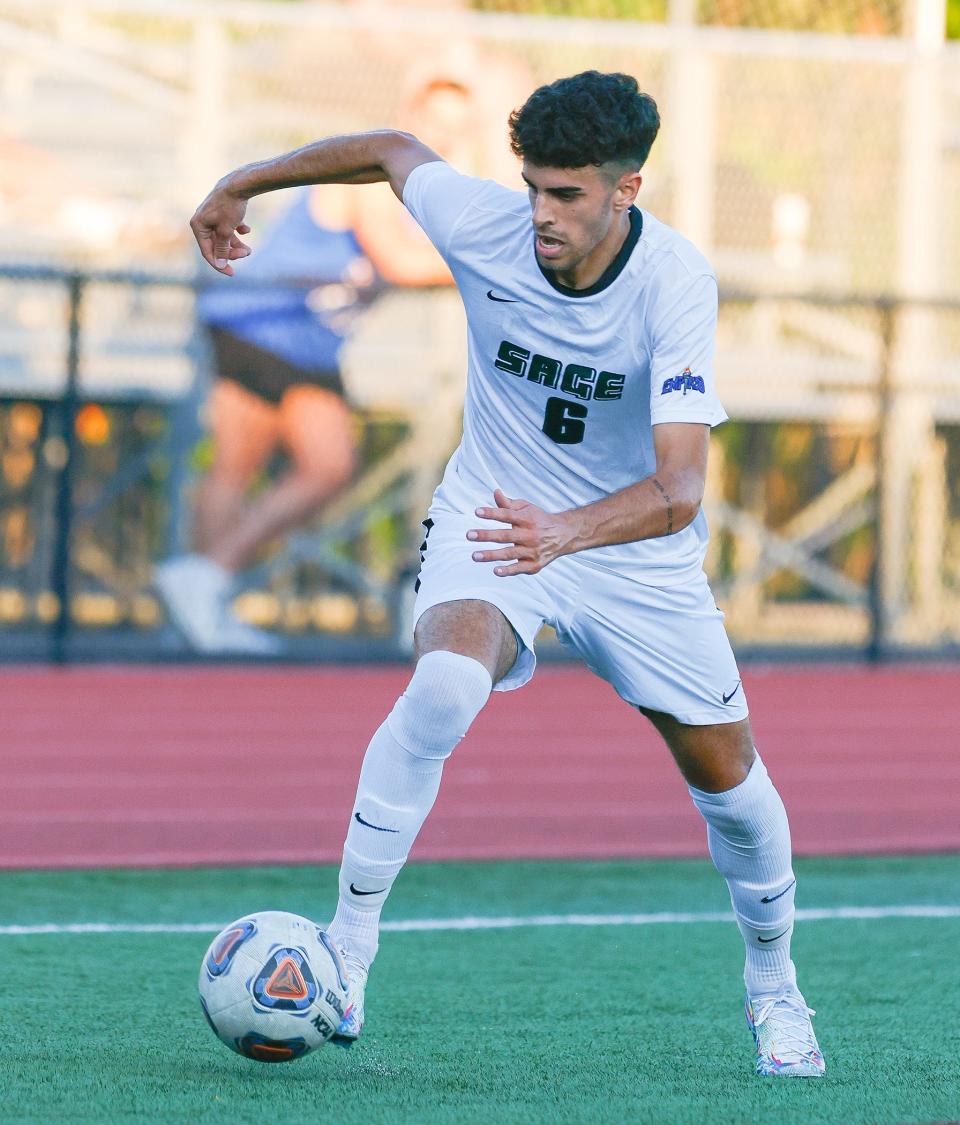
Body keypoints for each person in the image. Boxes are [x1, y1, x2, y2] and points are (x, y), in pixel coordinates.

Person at [189, 70, 825, 1077]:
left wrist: (567, 535)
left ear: (627, 189)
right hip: (495, 514)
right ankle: (350, 952)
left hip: (631, 551)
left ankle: (777, 991)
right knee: (443, 684)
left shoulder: (674, 282)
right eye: (532, 185)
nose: (541, 213)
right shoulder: (489, 223)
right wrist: (242, 182)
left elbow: (682, 487)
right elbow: (395, 151)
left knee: (734, 789)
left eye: (566, 193)